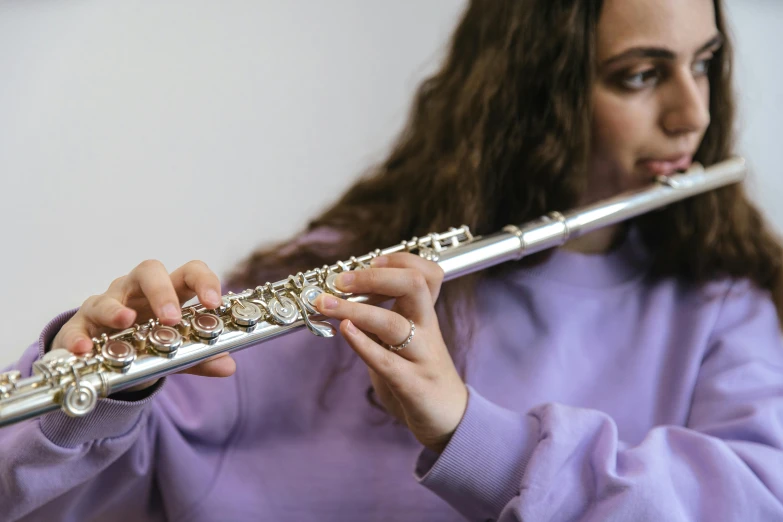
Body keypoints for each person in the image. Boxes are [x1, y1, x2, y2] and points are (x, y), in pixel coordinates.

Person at [3, 0, 783, 520]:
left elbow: (755, 499)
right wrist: (102, 390)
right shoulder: (342, 284)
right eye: (640, 76)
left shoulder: (723, 309)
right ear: (535, 96)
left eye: (705, 62)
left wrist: (479, 438)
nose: (695, 114)